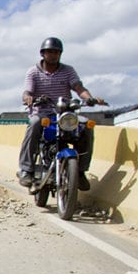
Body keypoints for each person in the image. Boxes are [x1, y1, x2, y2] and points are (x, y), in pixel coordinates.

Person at [18, 37, 105, 190]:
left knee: (87, 127)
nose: (53, 55)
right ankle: (26, 169)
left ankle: (80, 171)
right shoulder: (33, 72)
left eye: (56, 52)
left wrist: (89, 98)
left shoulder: (68, 70)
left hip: (65, 114)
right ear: (43, 54)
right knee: (34, 124)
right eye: (50, 52)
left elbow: (79, 88)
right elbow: (27, 91)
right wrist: (28, 98)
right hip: (43, 113)